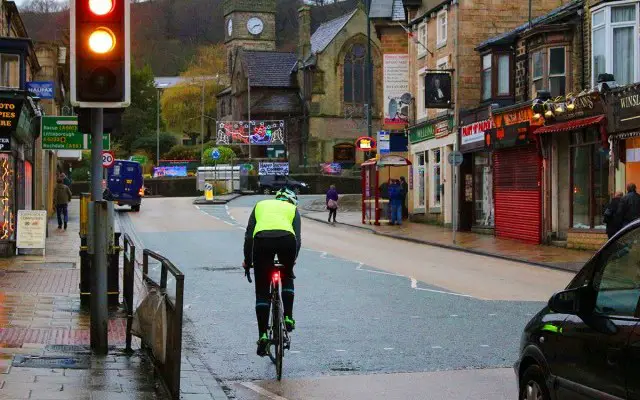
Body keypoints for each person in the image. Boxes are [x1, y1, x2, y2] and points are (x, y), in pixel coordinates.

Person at [243, 188, 302, 357]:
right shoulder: (292, 209)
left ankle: (262, 336)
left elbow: (249, 236)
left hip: (262, 240)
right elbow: (297, 238)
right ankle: (288, 317)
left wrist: (248, 261)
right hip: (287, 241)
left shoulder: (260, 205)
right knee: (287, 275)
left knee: (262, 291)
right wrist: (292, 260)